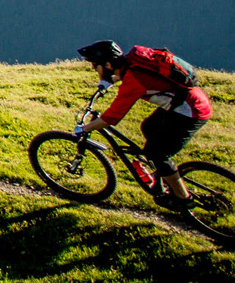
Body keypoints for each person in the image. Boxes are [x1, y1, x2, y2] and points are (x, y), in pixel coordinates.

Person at [72, 40, 213, 210]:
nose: (94, 69)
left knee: (157, 154)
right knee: (148, 127)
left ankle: (183, 198)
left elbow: (111, 118)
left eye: (96, 65)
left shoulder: (133, 82)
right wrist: (107, 82)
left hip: (191, 111)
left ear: (108, 64)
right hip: (185, 102)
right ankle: (161, 175)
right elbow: (127, 75)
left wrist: (84, 128)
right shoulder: (131, 62)